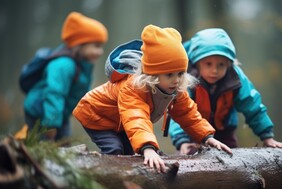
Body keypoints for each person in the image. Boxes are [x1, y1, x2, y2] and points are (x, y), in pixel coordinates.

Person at [73, 24, 232, 173]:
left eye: (180, 73)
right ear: (153, 74)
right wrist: (148, 147)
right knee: (115, 150)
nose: (176, 80)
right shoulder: (134, 88)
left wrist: (207, 137)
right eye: (169, 74)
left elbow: (188, 115)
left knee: (131, 153)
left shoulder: (175, 89)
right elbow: (136, 116)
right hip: (97, 115)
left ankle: (135, 187)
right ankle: (106, 180)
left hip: (120, 122)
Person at [169, 28, 282, 155]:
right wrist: (182, 141)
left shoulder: (235, 79)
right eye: (208, 64)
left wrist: (267, 136)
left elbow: (252, 106)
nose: (215, 70)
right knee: (191, 159)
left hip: (224, 131)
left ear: (229, 64)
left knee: (231, 158)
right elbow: (179, 111)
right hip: (192, 132)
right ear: (197, 63)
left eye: (221, 65)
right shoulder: (187, 79)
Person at [23, 12, 108, 141]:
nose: (100, 52)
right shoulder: (64, 65)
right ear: (80, 44)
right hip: (40, 113)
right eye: (96, 46)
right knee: (44, 146)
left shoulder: (82, 64)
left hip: (59, 113)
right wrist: (50, 126)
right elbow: (54, 94)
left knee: (64, 143)